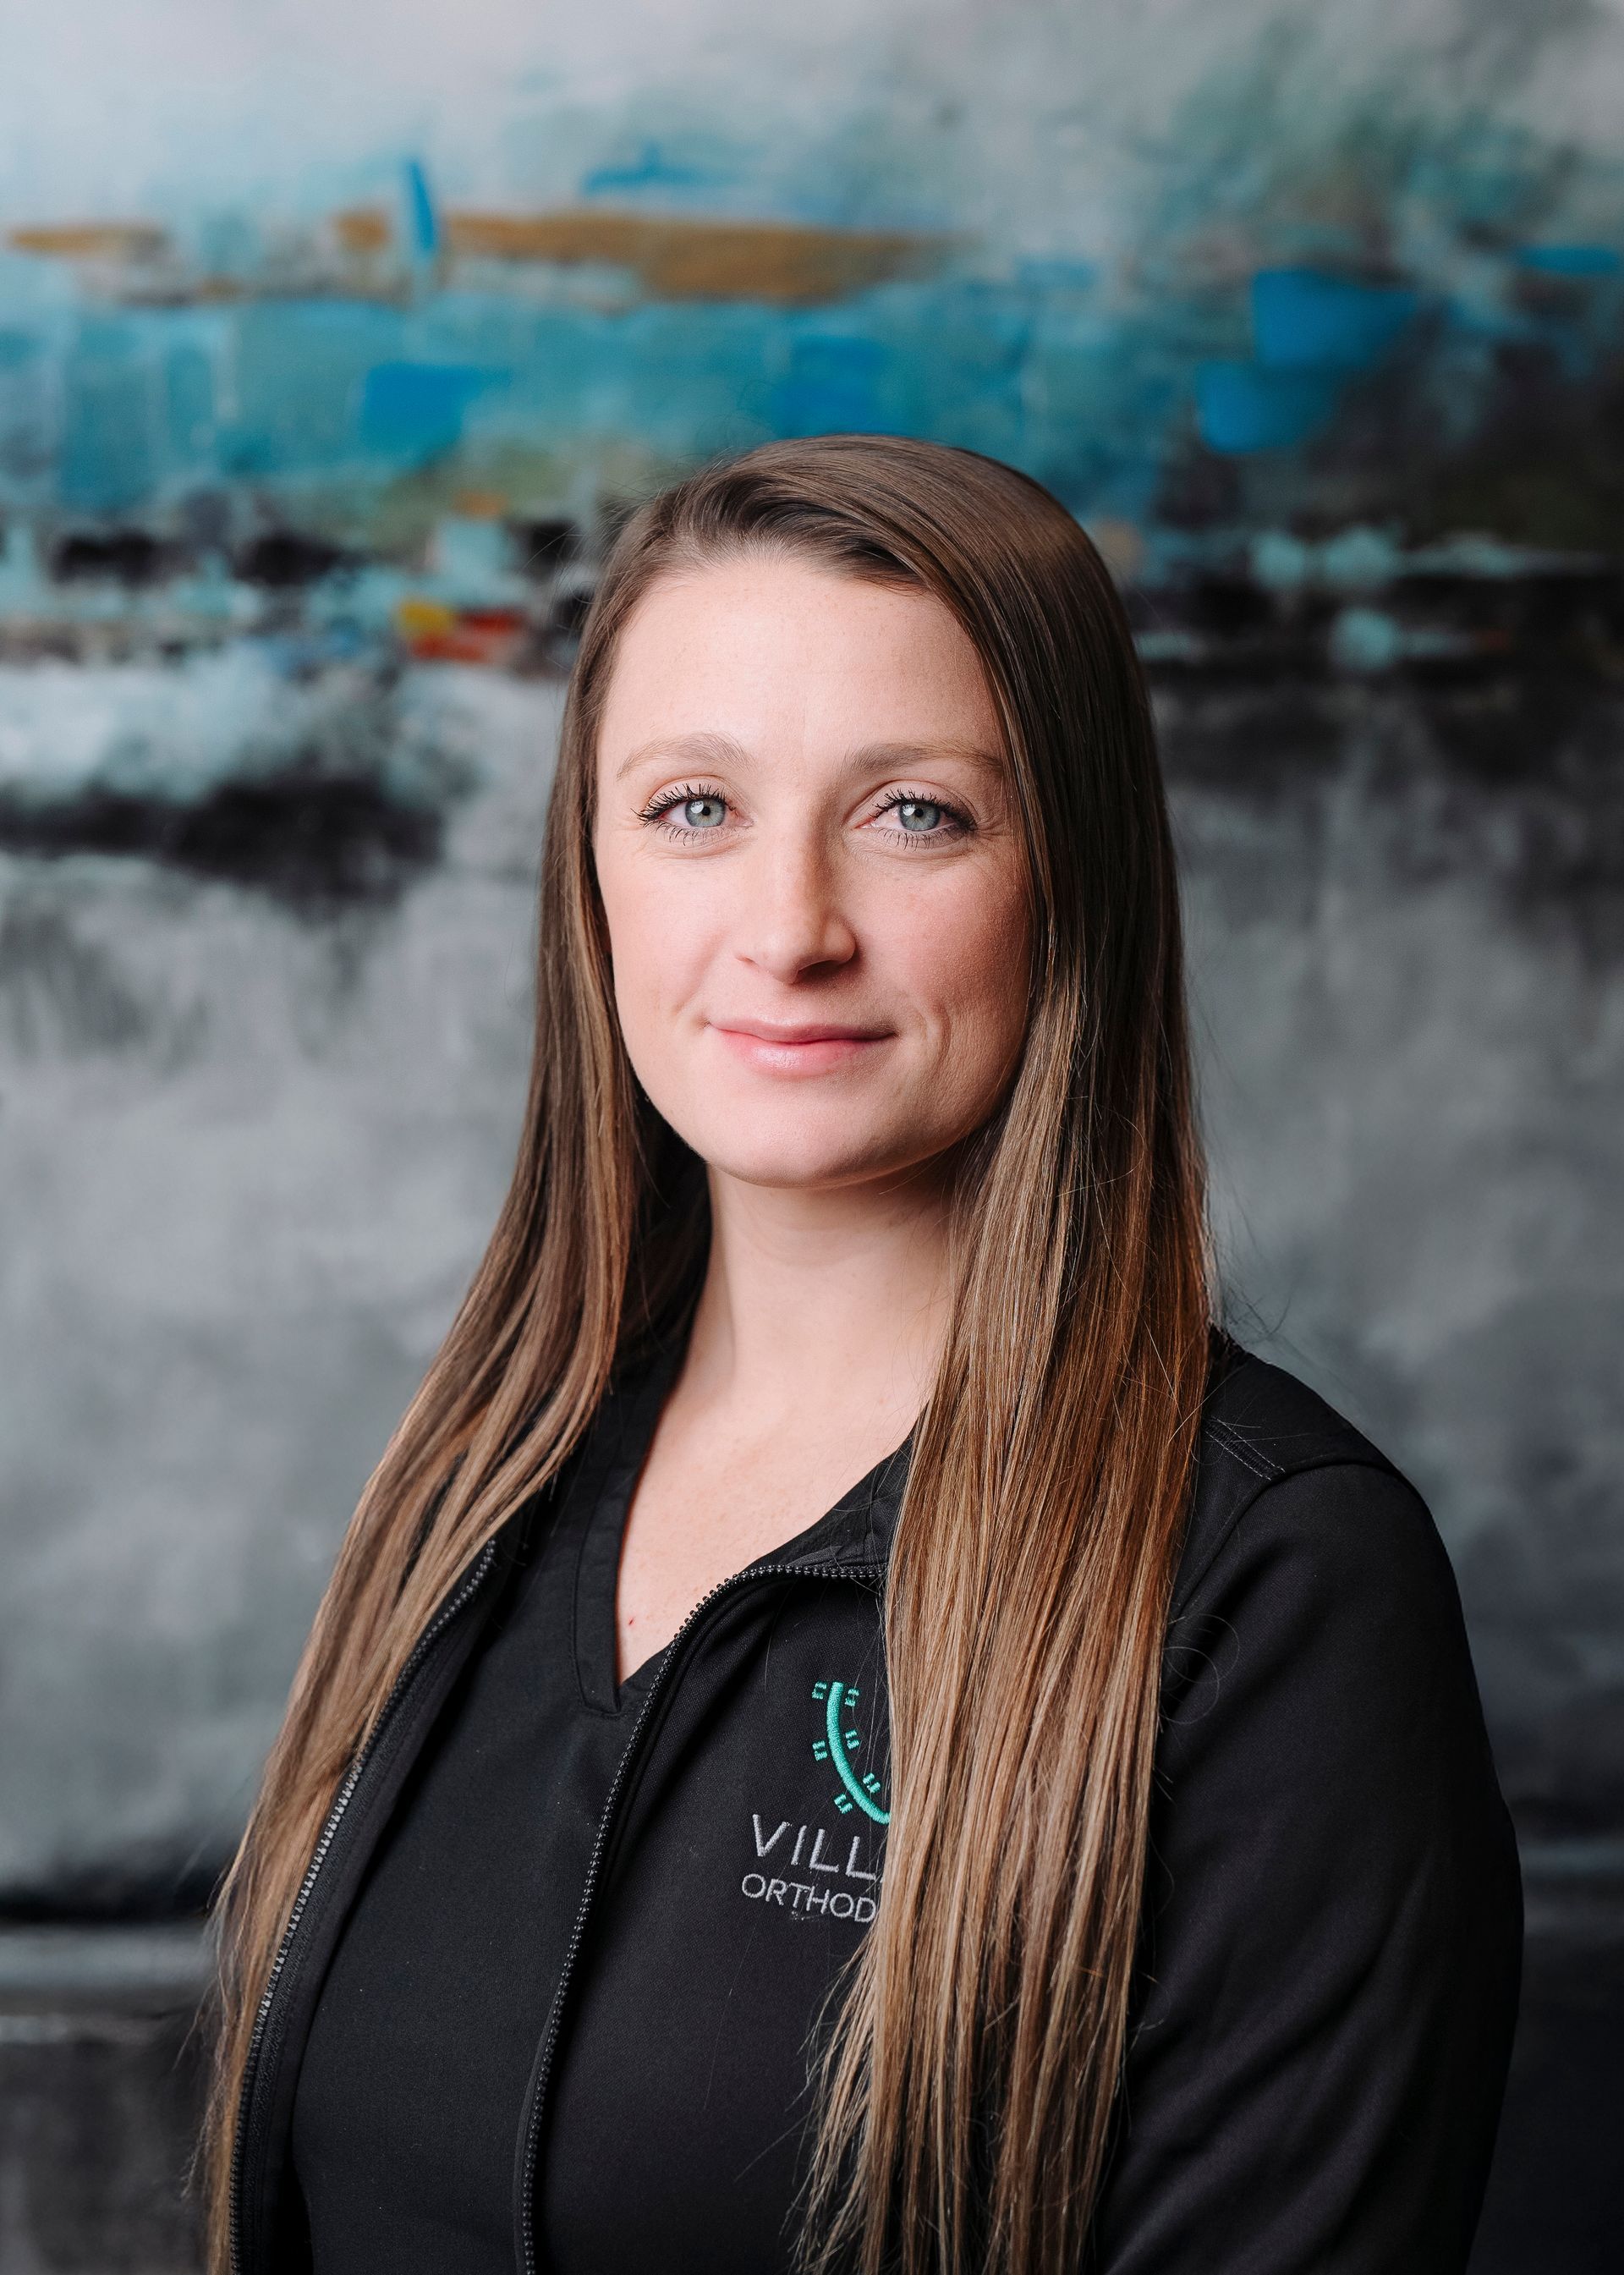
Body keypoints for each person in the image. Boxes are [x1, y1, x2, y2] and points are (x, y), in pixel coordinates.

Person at [206, 434, 1522, 2275]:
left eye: (915, 813)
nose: (789, 929)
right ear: (590, 878)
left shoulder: (1274, 1590)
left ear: (1070, 872)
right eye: (692, 809)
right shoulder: (485, 1481)